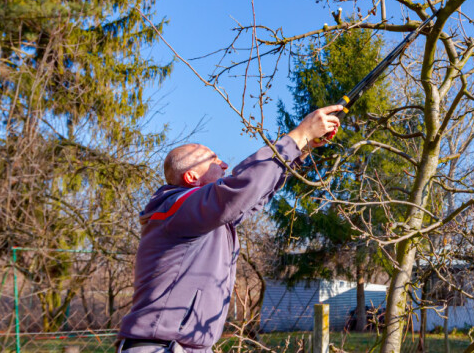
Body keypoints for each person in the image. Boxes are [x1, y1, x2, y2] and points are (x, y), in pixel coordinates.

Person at [116, 105, 343, 352]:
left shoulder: (202, 219)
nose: (224, 164)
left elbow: (253, 197)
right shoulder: (175, 207)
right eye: (214, 159)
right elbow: (241, 189)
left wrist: (302, 149)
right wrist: (298, 136)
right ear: (192, 178)